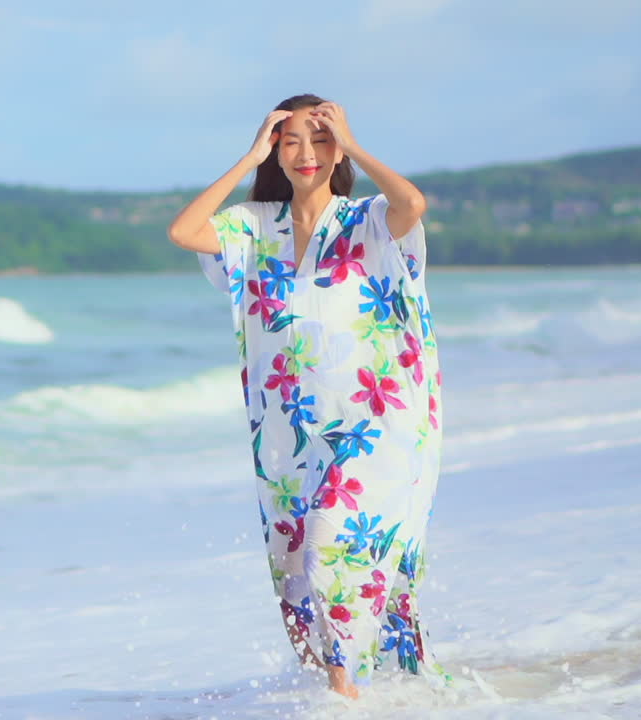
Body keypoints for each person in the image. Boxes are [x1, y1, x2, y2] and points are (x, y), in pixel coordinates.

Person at [167, 94, 452, 699]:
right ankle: (361, 690)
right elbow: (184, 230)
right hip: (290, 434)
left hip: (374, 423)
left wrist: (353, 143)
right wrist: (248, 158)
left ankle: (342, 695)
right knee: (297, 568)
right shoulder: (253, 227)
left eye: (319, 141)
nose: (306, 154)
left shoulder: (367, 220)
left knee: (329, 545)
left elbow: (413, 204)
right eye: (290, 140)